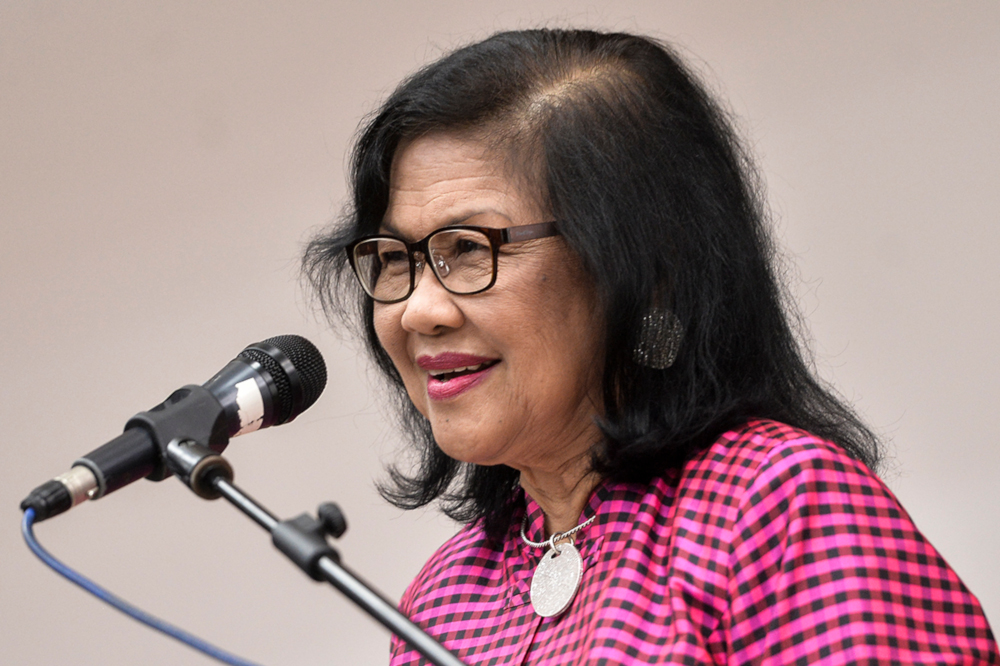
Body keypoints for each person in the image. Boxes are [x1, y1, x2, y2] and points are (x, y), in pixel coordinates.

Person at [304, 29, 997, 665]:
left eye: (467, 248)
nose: (418, 310)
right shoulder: (444, 597)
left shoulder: (773, 505)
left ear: (644, 268)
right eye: (395, 258)